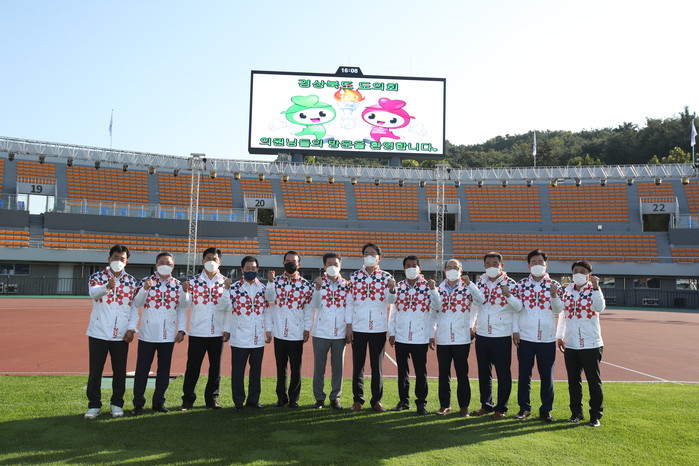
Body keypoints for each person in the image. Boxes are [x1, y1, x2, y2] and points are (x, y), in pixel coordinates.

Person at [84, 244, 139, 419]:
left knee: (119, 372)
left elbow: (133, 308)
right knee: (95, 372)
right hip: (98, 332)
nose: (118, 261)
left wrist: (131, 329)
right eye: (115, 257)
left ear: (127, 262)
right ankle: (94, 405)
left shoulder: (131, 281)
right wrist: (107, 287)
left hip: (120, 335)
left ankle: (116, 404)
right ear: (109, 259)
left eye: (122, 258)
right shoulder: (97, 277)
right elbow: (93, 294)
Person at [131, 252, 188, 415]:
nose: (165, 265)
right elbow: (137, 303)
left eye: (168, 263)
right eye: (161, 262)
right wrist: (144, 289)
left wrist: (181, 329)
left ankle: (159, 402)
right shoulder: (146, 281)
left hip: (167, 335)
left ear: (173, 266)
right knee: (142, 370)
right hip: (147, 334)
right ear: (156, 264)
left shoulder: (177, 284)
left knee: (163, 371)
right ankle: (138, 403)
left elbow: (182, 308)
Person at [512, 249, 563, 423]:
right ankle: (524, 408)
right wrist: (515, 330)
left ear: (546, 265)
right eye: (533, 262)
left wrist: (554, 295)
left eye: (540, 261)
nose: (537, 264)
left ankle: (546, 410)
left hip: (547, 338)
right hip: (525, 337)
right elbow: (516, 310)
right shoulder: (521, 285)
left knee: (547, 376)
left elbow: (558, 309)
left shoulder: (554, 285)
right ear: (528, 265)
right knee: (524, 375)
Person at [179, 248, 232, 411]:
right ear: (203, 261)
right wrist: (184, 292)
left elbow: (228, 308)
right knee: (193, 367)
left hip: (217, 332)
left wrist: (227, 328)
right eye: (208, 258)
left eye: (214, 259)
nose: (211, 261)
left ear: (219, 262)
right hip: (198, 332)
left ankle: (211, 399)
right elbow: (184, 305)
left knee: (215, 368)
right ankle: (188, 399)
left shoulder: (225, 282)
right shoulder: (193, 282)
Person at [346, 243, 396, 413]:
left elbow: (390, 301)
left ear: (379, 258)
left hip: (378, 328)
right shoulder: (354, 277)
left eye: (372, 254)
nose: (369, 256)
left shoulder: (386, 277)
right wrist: (349, 325)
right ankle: (357, 400)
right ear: (363, 256)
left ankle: (376, 401)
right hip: (358, 327)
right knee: (358, 366)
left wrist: (392, 289)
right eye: (366, 253)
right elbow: (349, 302)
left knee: (377, 367)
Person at [556, 260, 606, 427]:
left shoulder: (593, 290)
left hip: (591, 343)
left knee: (593, 381)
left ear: (589, 275)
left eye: (582, 271)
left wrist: (596, 288)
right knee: (573, 381)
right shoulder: (567, 291)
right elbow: (563, 315)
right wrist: (560, 336)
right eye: (575, 271)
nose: (578, 274)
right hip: (571, 344)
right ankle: (576, 412)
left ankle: (595, 415)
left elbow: (599, 307)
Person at [388, 256, 439, 415]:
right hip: (401, 336)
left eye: (414, 265)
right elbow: (393, 310)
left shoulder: (428, 287)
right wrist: (392, 332)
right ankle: (404, 401)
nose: (411, 268)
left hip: (420, 337)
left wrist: (431, 334)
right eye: (408, 266)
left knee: (420, 372)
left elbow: (436, 309)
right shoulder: (399, 287)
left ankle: (421, 403)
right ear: (404, 269)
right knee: (402, 372)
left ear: (420, 268)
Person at [472, 252, 521, 419]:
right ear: (484, 265)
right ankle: (486, 405)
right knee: (484, 373)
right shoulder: (480, 282)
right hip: (482, 334)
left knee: (503, 373)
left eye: (495, 264)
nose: (491, 266)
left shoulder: (511, 284)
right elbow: (475, 306)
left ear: (502, 266)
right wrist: (472, 325)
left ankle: (501, 408)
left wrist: (515, 330)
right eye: (488, 263)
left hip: (501, 335)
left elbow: (517, 309)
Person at [433, 259, 484, 417]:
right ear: (445, 270)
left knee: (462, 373)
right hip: (443, 337)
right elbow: (434, 310)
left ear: (461, 271)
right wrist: (431, 333)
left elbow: (480, 300)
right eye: (449, 267)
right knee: (443, 373)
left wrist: (470, 284)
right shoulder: (438, 289)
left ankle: (464, 406)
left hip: (461, 337)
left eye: (456, 267)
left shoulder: (467, 288)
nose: (452, 270)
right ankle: (444, 405)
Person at [265, 250, 313, 408]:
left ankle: (294, 399)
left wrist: (307, 328)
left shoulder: (305, 285)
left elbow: (308, 309)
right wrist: (270, 282)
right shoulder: (276, 281)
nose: (290, 263)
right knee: (281, 368)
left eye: (294, 261)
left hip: (296, 333)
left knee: (296, 368)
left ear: (299, 264)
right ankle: (281, 398)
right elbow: (269, 298)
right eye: (288, 261)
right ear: (283, 263)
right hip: (279, 332)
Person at [225, 255, 270, 410]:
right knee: (238, 372)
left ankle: (253, 400)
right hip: (239, 337)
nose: (251, 271)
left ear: (258, 269)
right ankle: (238, 401)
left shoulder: (263, 289)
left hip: (257, 337)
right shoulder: (234, 288)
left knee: (256, 371)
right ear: (242, 269)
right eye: (248, 268)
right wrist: (227, 330)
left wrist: (268, 330)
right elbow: (226, 309)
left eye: (253, 268)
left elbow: (267, 312)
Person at [311, 253, 349, 410]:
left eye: (336, 264)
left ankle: (335, 397)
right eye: (329, 264)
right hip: (321, 332)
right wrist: (318, 288)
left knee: (338, 368)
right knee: (319, 368)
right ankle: (319, 398)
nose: (333, 266)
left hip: (340, 333)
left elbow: (349, 308)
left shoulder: (347, 285)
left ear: (340, 266)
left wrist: (349, 328)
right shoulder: (317, 283)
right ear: (324, 266)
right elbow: (315, 304)